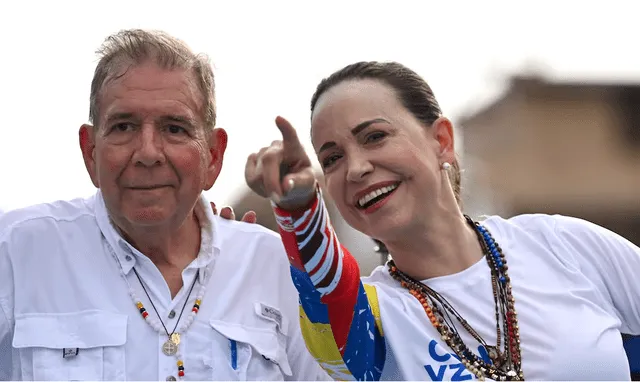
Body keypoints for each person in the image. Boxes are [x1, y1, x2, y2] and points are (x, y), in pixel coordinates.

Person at [245, 61, 640, 380]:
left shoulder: (560, 244)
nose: (356, 168)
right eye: (332, 159)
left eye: (375, 137)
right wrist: (299, 210)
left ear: (442, 141)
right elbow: (328, 292)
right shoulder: (375, 317)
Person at [0, 29, 329, 381]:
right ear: (90, 150)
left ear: (213, 156)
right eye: (123, 126)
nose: (147, 153)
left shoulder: (278, 269)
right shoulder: (17, 253)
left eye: (174, 129)